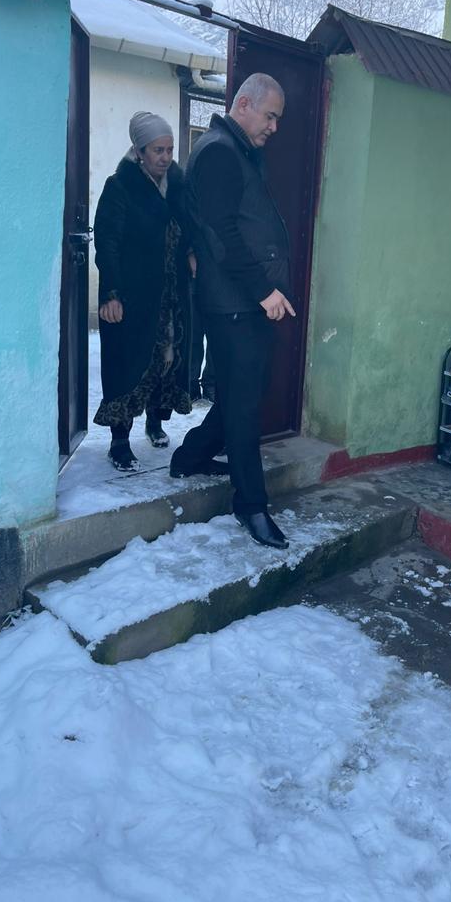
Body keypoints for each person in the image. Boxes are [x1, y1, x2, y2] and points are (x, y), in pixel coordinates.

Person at [169, 73, 295, 549]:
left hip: (241, 302)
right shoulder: (220, 152)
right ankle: (251, 506)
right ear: (243, 105)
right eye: (270, 116)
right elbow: (220, 233)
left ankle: (190, 456)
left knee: (244, 394)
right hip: (235, 304)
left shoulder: (233, 150)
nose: (274, 127)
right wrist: (264, 291)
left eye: (277, 119)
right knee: (243, 408)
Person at [92, 111, 193, 470]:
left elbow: (189, 226)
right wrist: (111, 294)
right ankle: (119, 440)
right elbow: (107, 243)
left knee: (167, 358)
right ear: (139, 152)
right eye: (157, 150)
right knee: (127, 361)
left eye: (169, 150)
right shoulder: (119, 187)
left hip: (171, 293)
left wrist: (192, 251)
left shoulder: (177, 185)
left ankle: (155, 421)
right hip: (132, 294)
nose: (165, 157)